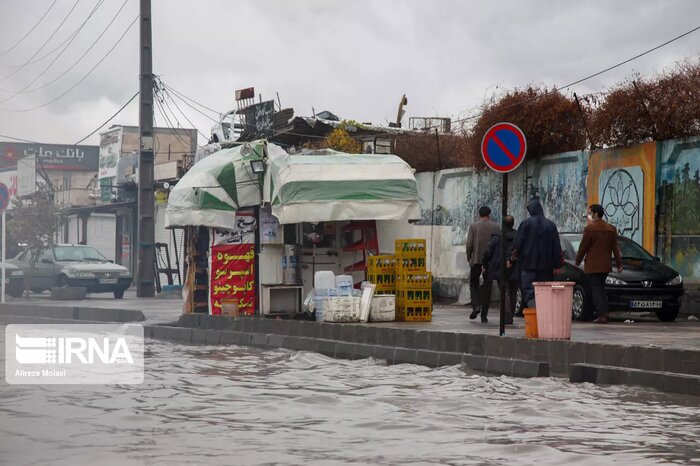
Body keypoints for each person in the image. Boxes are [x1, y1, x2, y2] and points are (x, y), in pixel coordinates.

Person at [511, 197, 564, 309]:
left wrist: (514, 257)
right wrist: (557, 265)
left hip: (528, 264)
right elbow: (556, 247)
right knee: (544, 290)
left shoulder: (526, 223)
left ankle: (535, 310)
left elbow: (517, 243)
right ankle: (543, 311)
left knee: (529, 290)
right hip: (546, 266)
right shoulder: (551, 225)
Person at [575, 204, 623, 324]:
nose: (589, 215)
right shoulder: (611, 229)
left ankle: (602, 315)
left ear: (596, 214)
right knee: (602, 289)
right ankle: (605, 313)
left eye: (590, 212)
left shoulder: (590, 229)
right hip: (606, 265)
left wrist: (577, 261)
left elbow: (583, 247)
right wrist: (619, 264)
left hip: (593, 265)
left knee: (596, 290)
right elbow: (615, 248)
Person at [481, 215, 518, 324]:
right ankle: (510, 315)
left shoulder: (497, 237)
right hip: (514, 267)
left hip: (500, 268)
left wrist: (484, 264)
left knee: (504, 291)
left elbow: (488, 252)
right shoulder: (517, 236)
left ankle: (507, 316)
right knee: (513, 292)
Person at [465, 205, 500, 322]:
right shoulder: (496, 227)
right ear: (489, 215)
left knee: (473, 284)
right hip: (490, 262)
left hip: (476, 260)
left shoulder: (473, 226)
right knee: (487, 287)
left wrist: (469, 257)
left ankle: (476, 306)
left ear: (479, 215)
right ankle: (484, 315)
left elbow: (469, 244)